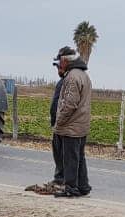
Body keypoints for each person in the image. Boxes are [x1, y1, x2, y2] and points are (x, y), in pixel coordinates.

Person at [52, 49, 92, 198]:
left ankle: (71, 188)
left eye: (60, 60)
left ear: (65, 60)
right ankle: (83, 186)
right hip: (81, 125)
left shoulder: (71, 77)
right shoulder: (84, 76)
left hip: (71, 126)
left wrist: (59, 122)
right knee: (79, 157)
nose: (59, 64)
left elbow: (69, 104)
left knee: (70, 159)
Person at [48, 46, 76, 187]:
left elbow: (58, 105)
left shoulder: (66, 81)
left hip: (64, 125)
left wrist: (56, 122)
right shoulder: (76, 78)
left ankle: (62, 180)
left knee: (62, 154)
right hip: (71, 126)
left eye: (59, 64)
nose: (57, 68)